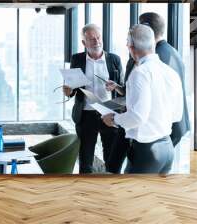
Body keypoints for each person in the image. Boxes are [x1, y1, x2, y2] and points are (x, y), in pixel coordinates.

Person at [106, 12, 190, 173]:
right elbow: (176, 115)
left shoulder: (140, 72)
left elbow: (137, 117)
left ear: (130, 47)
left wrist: (114, 119)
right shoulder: (169, 71)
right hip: (167, 150)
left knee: (133, 196)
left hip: (147, 151)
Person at [63, 24, 123, 174]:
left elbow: (123, 89)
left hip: (109, 114)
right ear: (84, 43)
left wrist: (115, 86)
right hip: (85, 115)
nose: (96, 41)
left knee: (111, 159)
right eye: (91, 39)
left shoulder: (114, 59)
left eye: (98, 37)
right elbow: (73, 88)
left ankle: (111, 192)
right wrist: (68, 91)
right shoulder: (77, 59)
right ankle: (84, 193)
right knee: (85, 161)